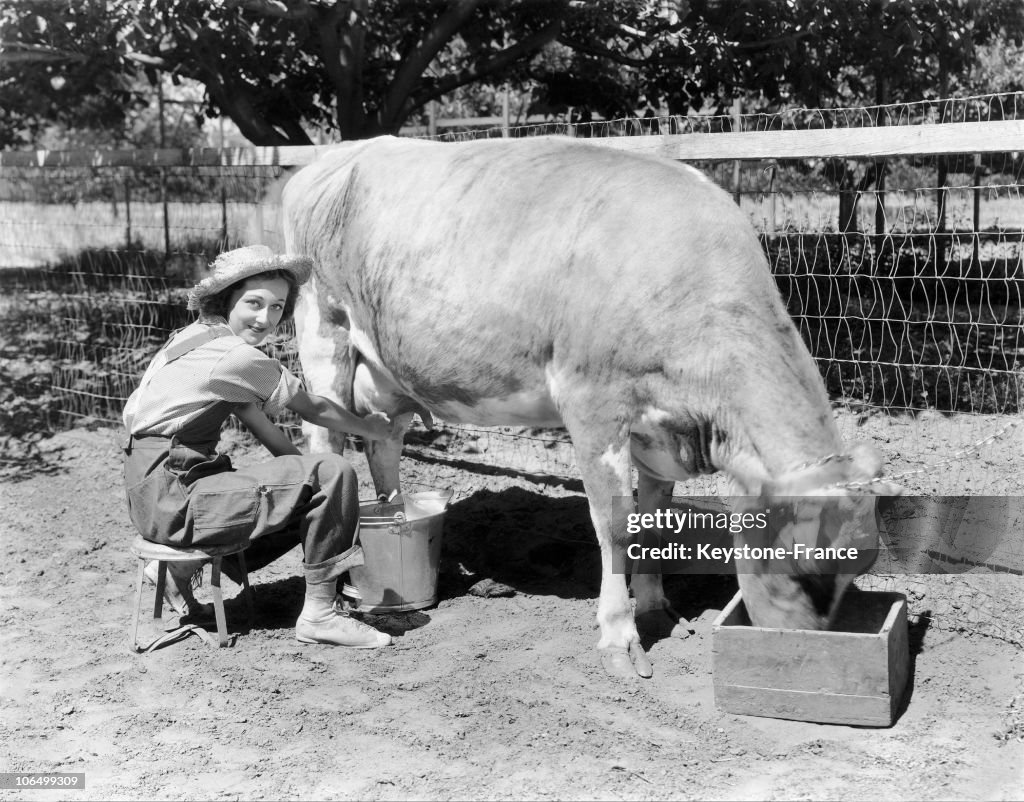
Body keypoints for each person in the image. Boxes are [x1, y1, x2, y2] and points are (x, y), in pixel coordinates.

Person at [122, 244, 393, 648]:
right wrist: (369, 429)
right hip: (175, 498)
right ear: (227, 299)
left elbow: (266, 431)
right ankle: (319, 616)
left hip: (153, 493)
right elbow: (313, 407)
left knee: (316, 481)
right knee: (334, 472)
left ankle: (177, 571)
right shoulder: (234, 357)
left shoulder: (196, 339)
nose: (266, 318)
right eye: (254, 302)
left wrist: (316, 493)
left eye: (278, 307)